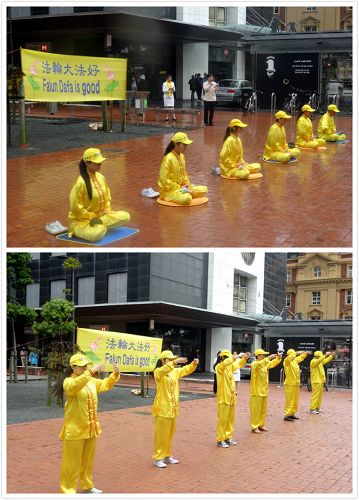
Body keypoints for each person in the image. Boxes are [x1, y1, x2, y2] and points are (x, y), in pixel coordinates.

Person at [52, 353, 120, 494]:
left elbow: (104, 384)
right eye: (81, 366)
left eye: (86, 365)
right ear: (73, 367)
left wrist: (114, 375)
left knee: (87, 461)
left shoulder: (90, 381)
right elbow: (75, 387)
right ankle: (68, 490)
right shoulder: (68, 382)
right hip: (75, 430)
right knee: (71, 464)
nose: (84, 368)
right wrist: (90, 372)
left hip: (90, 428)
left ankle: (87, 485)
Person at [68, 148, 130, 242]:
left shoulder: (101, 177)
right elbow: (75, 208)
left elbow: (107, 197)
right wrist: (92, 216)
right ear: (87, 163)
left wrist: (107, 210)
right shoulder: (80, 183)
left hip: (100, 217)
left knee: (126, 216)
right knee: (97, 234)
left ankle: (100, 225)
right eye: (97, 162)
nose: (100, 164)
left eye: (100, 162)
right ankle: (78, 229)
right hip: (82, 221)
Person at [152, 350, 199, 467]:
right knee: (161, 435)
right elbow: (163, 370)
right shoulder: (158, 372)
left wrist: (194, 364)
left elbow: (185, 369)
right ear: (163, 361)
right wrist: (175, 362)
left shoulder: (174, 371)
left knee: (169, 434)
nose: (173, 361)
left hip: (172, 408)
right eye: (170, 359)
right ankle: (158, 457)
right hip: (162, 409)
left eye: (173, 359)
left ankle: (167, 455)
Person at [158, 132, 208, 205]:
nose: (186, 147)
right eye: (184, 145)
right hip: (170, 191)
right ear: (176, 144)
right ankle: (184, 194)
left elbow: (185, 174)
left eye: (186, 145)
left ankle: (186, 193)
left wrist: (187, 186)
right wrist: (180, 188)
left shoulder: (182, 156)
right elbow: (164, 181)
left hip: (183, 188)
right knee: (186, 198)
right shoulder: (168, 158)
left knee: (204, 189)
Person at [215, 350, 250, 447]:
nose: (228, 359)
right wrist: (237, 356)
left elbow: (239, 364)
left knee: (230, 419)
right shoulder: (219, 367)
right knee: (223, 419)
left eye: (228, 357)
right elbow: (227, 362)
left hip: (231, 397)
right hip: (223, 397)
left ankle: (228, 437)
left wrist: (244, 358)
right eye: (226, 357)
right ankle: (220, 439)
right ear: (222, 358)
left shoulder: (230, 367)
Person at [249, 349, 282, 433]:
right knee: (256, 410)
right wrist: (269, 358)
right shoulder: (254, 364)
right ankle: (254, 426)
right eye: (263, 355)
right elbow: (259, 364)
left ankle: (261, 425)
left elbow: (272, 364)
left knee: (263, 410)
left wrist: (278, 358)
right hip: (256, 392)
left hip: (264, 391)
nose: (264, 356)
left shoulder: (264, 365)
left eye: (264, 355)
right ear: (258, 355)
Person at [283, 349, 310, 421]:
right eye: (293, 355)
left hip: (295, 383)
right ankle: (287, 415)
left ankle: (292, 413)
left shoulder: (294, 361)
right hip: (290, 384)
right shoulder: (287, 361)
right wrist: (297, 352)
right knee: (290, 400)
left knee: (295, 400)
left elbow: (300, 358)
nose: (294, 356)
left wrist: (305, 353)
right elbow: (289, 358)